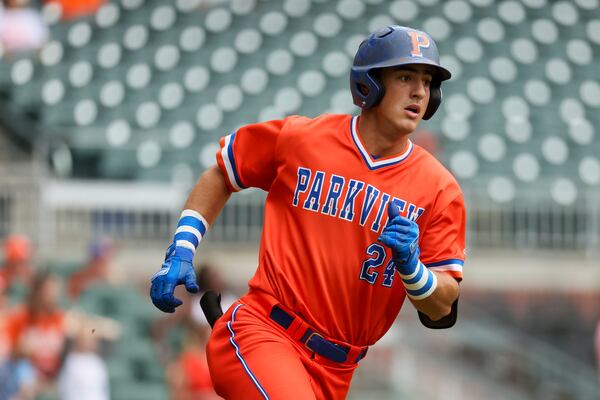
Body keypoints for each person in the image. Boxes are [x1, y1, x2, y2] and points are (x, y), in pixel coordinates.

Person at [150, 25, 466, 399]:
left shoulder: (440, 189)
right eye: (404, 76)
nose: (419, 91)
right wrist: (183, 247)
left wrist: (414, 271)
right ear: (370, 84)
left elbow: (442, 306)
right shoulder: (304, 139)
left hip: (338, 370)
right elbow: (224, 171)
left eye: (428, 81)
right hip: (265, 333)